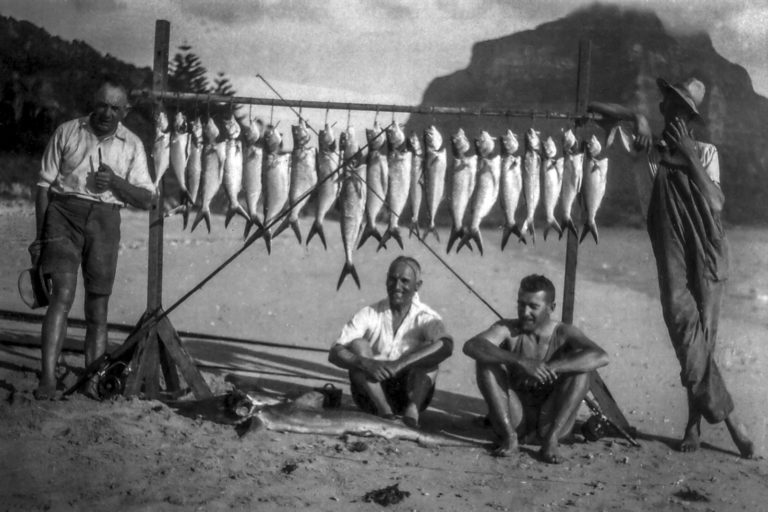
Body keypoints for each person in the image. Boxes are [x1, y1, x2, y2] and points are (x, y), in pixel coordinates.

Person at [588, 77, 754, 458]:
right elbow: (595, 107)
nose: (679, 115)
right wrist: (634, 118)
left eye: (686, 111)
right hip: (672, 255)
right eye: (673, 106)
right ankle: (731, 422)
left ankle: (693, 425)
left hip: (710, 254)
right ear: (664, 109)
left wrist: (689, 157)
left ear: (692, 119)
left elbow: (715, 203)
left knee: (704, 340)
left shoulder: (707, 153)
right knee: (686, 333)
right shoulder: (646, 151)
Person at [28, 78, 156, 400]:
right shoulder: (68, 132)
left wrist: (115, 182)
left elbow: (146, 198)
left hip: (105, 221)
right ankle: (47, 378)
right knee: (62, 296)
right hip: (63, 215)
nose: (107, 113)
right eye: (102, 104)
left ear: (124, 111)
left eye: (115, 107)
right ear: (93, 103)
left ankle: (91, 378)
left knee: (98, 308)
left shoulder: (133, 145)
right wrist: (41, 238)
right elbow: (44, 187)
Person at [463, 274, 609, 463]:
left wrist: (553, 366)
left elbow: (600, 356)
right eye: (521, 304)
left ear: (551, 308)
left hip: (550, 422)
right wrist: (520, 361)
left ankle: (551, 440)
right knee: (484, 361)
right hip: (516, 421)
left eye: (533, 306)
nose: (525, 312)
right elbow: (472, 346)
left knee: (582, 372)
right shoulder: (508, 329)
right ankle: (510, 437)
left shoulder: (564, 332)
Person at [328, 256, 453, 428]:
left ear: (418, 286)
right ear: (386, 280)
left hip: (409, 392)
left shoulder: (426, 317)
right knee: (358, 345)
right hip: (370, 395)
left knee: (430, 349)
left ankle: (411, 415)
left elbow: (446, 346)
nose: (397, 287)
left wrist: (399, 365)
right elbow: (335, 352)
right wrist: (366, 363)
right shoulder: (369, 313)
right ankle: (385, 413)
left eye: (404, 281)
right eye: (392, 280)